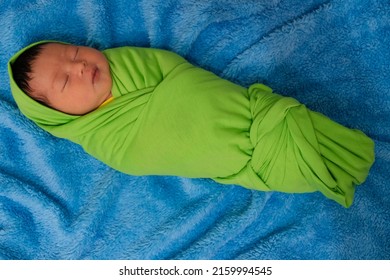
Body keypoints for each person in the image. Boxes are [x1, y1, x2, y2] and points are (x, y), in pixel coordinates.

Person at [8, 41, 375, 207]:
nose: (79, 66)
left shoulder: (127, 63)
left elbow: (182, 76)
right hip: (244, 161)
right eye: (65, 82)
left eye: (74, 52)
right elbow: (153, 153)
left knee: (309, 132)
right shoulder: (110, 143)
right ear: (58, 117)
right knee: (300, 167)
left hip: (254, 113)